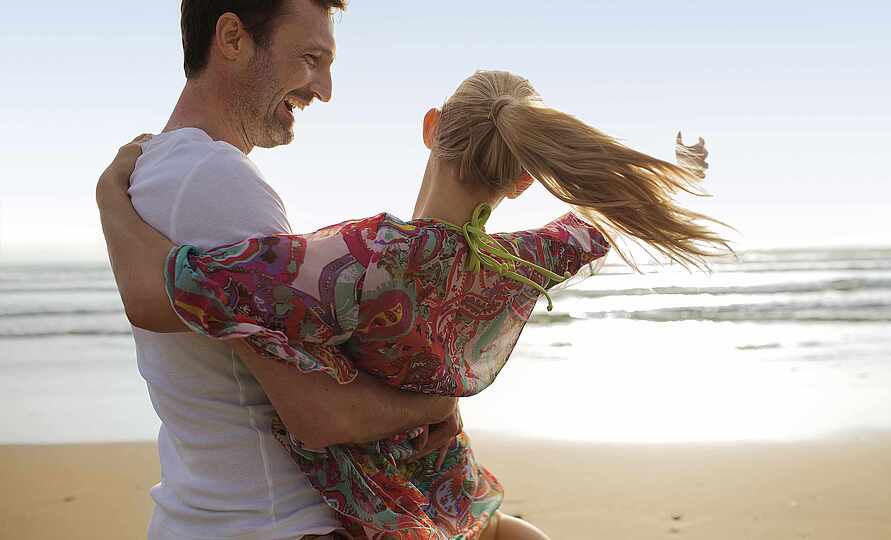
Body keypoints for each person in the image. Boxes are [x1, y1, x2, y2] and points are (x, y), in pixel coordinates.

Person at [98, 70, 727, 538]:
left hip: (387, 517)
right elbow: (599, 225)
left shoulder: (355, 260)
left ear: (431, 128)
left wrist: (110, 198)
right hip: (463, 502)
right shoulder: (517, 262)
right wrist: (679, 173)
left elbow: (162, 292)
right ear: (521, 179)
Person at [96, 2, 466, 539]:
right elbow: (318, 412)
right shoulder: (216, 178)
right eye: (311, 59)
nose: (324, 90)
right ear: (232, 37)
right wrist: (434, 403)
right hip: (272, 524)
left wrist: (106, 197)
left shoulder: (159, 170)